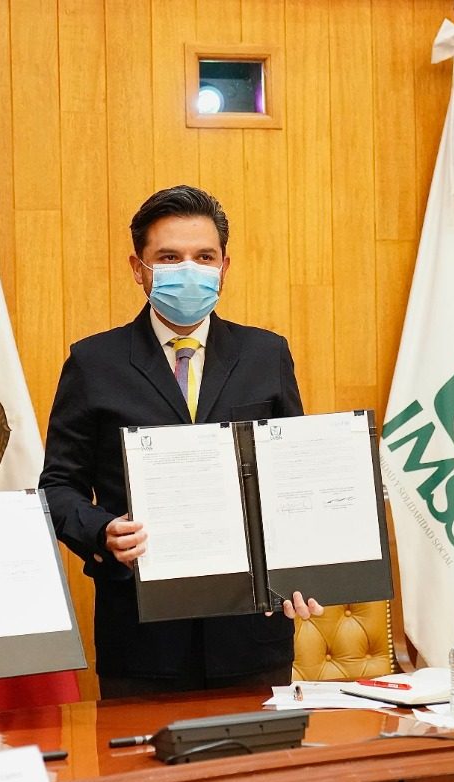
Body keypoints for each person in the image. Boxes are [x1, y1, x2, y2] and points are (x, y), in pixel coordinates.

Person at [40, 185, 321, 698]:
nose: (188, 269)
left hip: (251, 635)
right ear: (138, 267)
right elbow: (58, 488)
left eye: (203, 257)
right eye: (169, 257)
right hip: (143, 640)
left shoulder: (266, 355)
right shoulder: (93, 363)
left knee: (255, 777)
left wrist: (305, 567)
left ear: (224, 267)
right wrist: (103, 532)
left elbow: (292, 479)